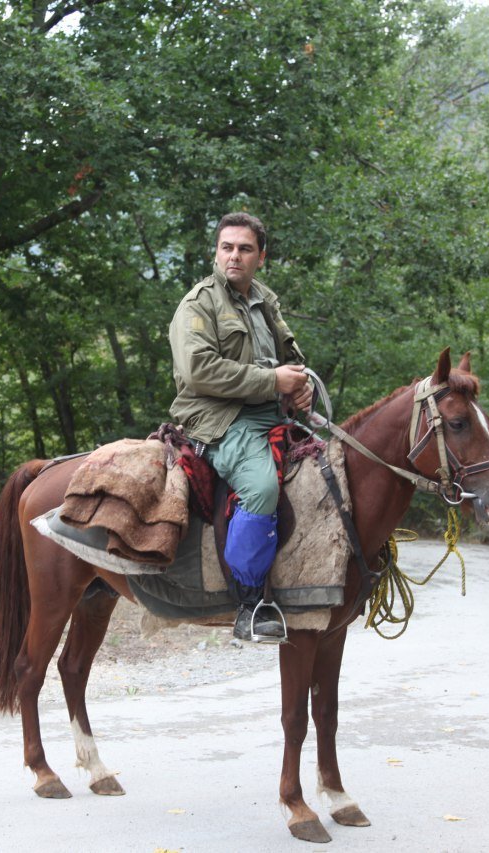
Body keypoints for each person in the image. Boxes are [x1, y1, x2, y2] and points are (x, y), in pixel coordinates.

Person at [168, 212, 311, 642]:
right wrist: (272, 381)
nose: (234, 256)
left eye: (245, 249)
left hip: (271, 412)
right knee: (262, 487)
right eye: (227, 247)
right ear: (216, 252)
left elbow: (291, 357)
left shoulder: (265, 299)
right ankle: (251, 603)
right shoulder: (198, 303)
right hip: (218, 418)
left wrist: (300, 387)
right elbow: (199, 371)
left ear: (260, 257)